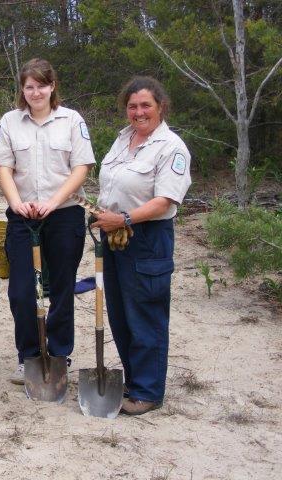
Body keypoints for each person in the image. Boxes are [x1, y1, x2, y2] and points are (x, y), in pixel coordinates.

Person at [0, 58, 96, 385]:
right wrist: (16, 203)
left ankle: (60, 352)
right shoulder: (10, 122)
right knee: (23, 290)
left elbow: (81, 167)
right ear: (23, 89)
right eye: (29, 86)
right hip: (24, 218)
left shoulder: (71, 121)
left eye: (42, 85)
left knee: (62, 287)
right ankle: (30, 355)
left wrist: (53, 202)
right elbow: (2, 167)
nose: (36, 92)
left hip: (63, 215)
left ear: (53, 86)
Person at [92, 76, 191, 415]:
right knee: (120, 314)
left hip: (147, 238)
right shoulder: (123, 140)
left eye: (146, 105)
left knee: (145, 314)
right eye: (132, 106)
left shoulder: (171, 147)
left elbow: (165, 201)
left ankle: (148, 392)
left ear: (160, 106)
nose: (139, 112)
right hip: (113, 234)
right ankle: (133, 382)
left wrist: (124, 219)